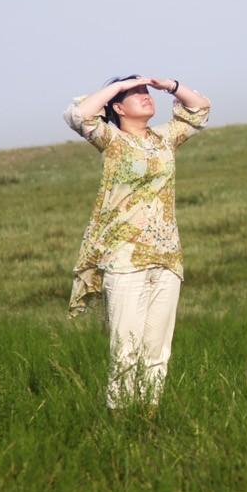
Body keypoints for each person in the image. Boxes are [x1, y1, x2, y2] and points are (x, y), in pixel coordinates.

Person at [62, 75, 212, 410]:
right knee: (125, 347)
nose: (145, 96)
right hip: (125, 258)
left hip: (167, 257)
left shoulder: (164, 138)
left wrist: (170, 85)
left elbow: (200, 109)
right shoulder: (111, 140)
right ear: (117, 106)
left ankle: (149, 415)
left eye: (146, 92)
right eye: (136, 94)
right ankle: (119, 416)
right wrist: (120, 84)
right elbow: (78, 115)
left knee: (157, 349)